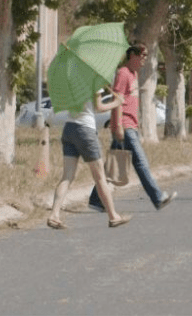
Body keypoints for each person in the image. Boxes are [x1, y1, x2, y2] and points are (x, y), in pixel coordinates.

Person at [88, 43, 177, 212]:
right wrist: (118, 126)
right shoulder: (123, 73)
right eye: (142, 56)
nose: (144, 59)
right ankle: (158, 198)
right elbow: (117, 103)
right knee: (141, 163)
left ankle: (95, 200)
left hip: (131, 126)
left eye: (146, 56)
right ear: (132, 56)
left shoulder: (133, 74)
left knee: (112, 167)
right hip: (125, 126)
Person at [48, 89, 130, 229]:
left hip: (69, 128)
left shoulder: (70, 80)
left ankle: (54, 215)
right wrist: (117, 102)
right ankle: (113, 216)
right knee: (100, 178)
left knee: (67, 176)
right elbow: (99, 107)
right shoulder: (92, 81)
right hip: (85, 130)